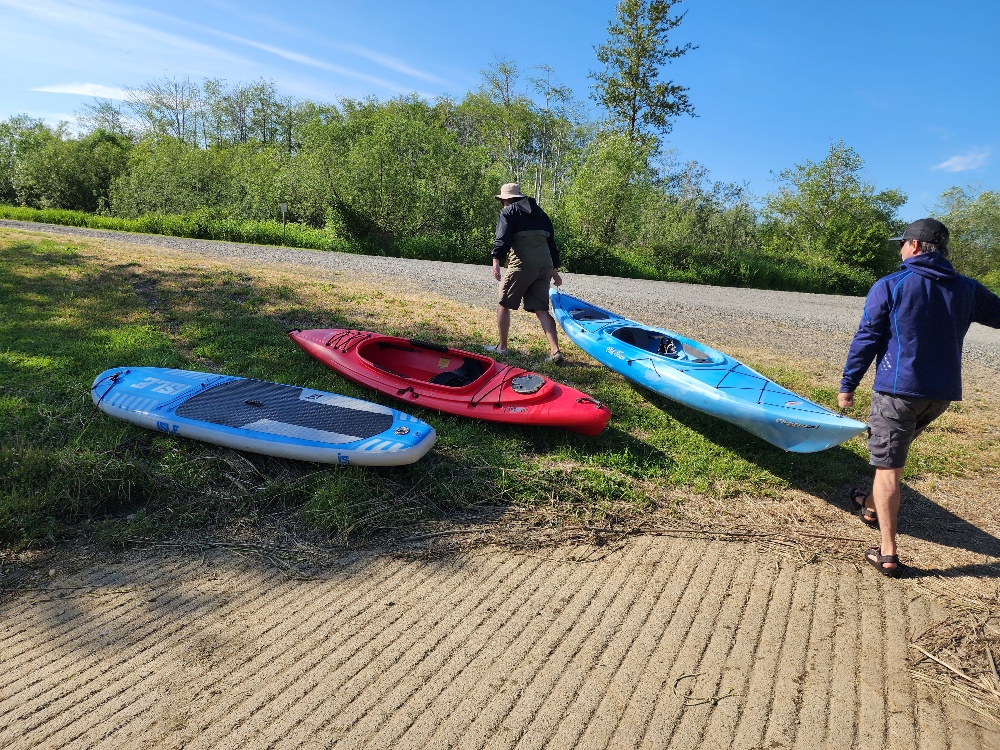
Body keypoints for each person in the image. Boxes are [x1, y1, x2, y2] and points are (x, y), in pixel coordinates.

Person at [838, 218, 1000, 576]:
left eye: (902, 243)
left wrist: (848, 384)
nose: (900, 250)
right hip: (939, 396)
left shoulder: (891, 284)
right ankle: (870, 507)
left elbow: (866, 337)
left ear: (913, 246)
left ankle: (887, 553)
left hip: (898, 392)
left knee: (889, 467)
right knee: (889, 454)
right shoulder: (968, 289)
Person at [487, 183, 564, 363]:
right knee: (541, 309)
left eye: (502, 201)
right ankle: (555, 351)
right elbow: (551, 245)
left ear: (506, 199)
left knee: (503, 303)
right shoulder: (541, 214)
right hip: (544, 266)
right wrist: (555, 272)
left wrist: (496, 261)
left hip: (523, 265)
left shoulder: (508, 212)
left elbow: (502, 238)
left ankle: (502, 348)